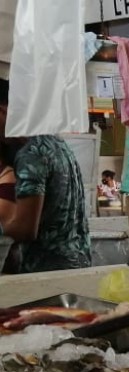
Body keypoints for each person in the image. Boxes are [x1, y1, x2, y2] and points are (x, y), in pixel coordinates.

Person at [0, 78, 91, 273]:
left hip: (46, 270)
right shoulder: (57, 144)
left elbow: (25, 229)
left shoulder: (31, 154)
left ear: (3, 112)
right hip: (77, 262)